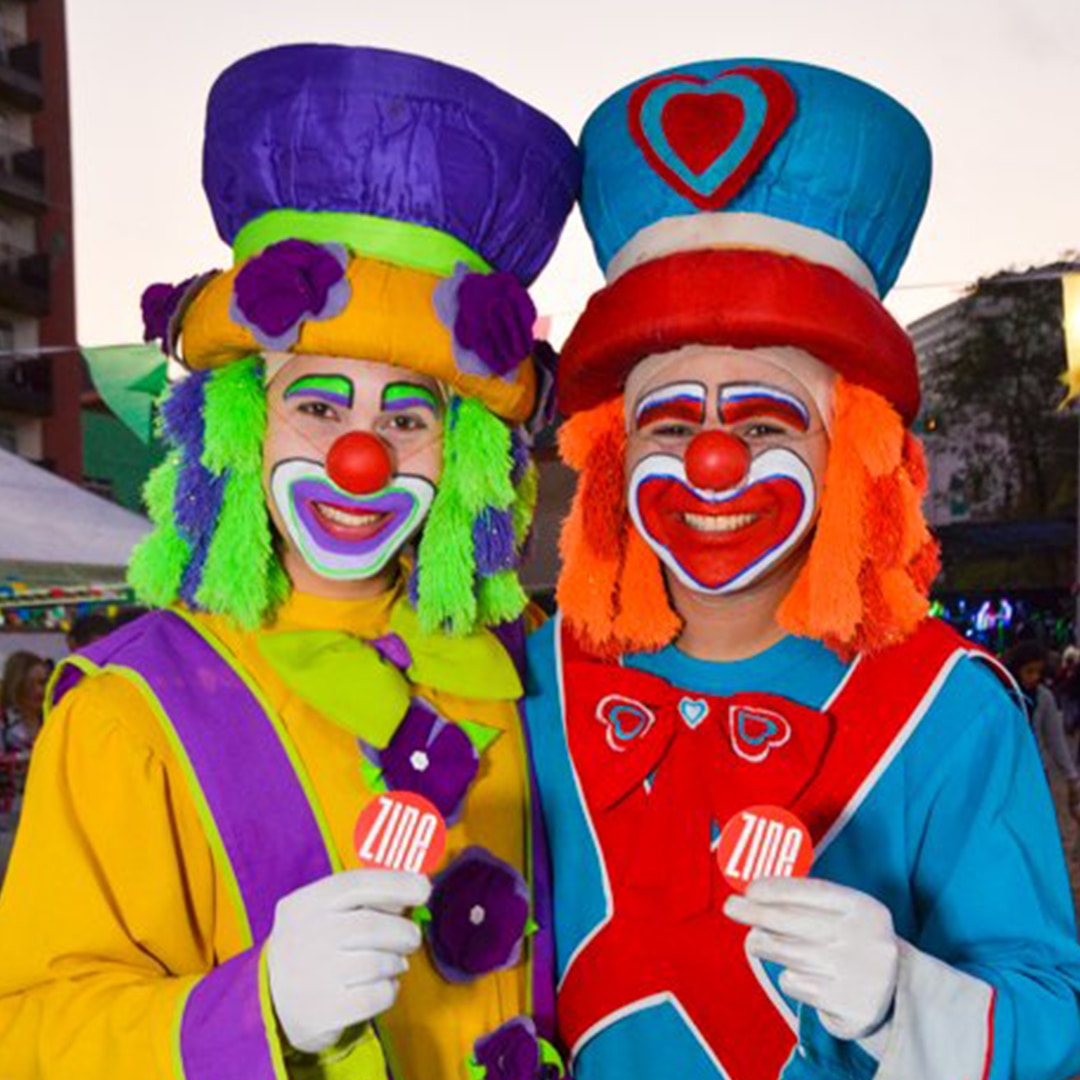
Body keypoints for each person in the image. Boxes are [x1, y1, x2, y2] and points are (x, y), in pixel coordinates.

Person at [0, 45, 578, 1080]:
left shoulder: (522, 671)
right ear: (239, 426)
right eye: (316, 406)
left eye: (409, 418)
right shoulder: (129, 709)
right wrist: (251, 1008)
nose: (361, 458)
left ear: (466, 461)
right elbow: (32, 1029)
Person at [525, 59, 1080, 1080]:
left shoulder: (946, 705)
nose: (711, 460)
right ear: (610, 457)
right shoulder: (536, 678)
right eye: (672, 418)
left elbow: (1052, 1024)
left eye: (765, 417)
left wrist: (901, 998)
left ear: (851, 451)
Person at [1008, 639, 1080, 819]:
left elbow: (1056, 740)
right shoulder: (1003, 696)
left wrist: (1071, 776)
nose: (1034, 677)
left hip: (1037, 774)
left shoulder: (1044, 698)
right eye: (1029, 671)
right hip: (1008, 776)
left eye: (1038, 672)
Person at [0, 649, 47, 756]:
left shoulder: (52, 716)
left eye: (43, 682)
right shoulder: (4, 720)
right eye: (30, 684)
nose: (39, 691)